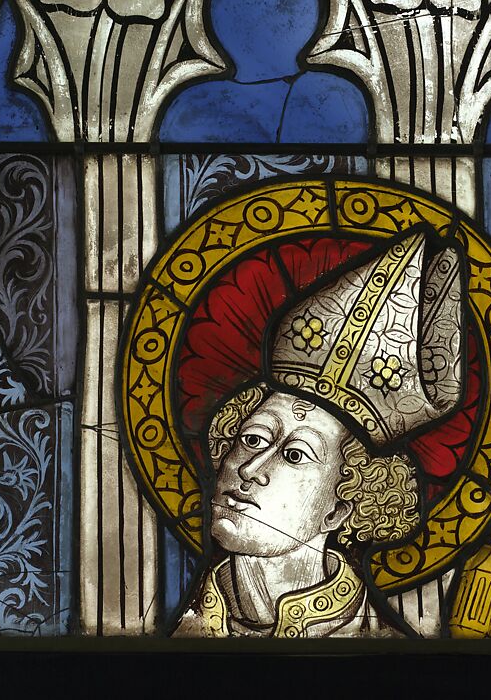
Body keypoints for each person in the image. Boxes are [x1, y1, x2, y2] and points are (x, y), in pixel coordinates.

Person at [173, 230, 465, 637]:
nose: (251, 469)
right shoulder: (180, 637)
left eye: (295, 455)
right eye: (252, 439)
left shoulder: (386, 651)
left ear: (339, 509)